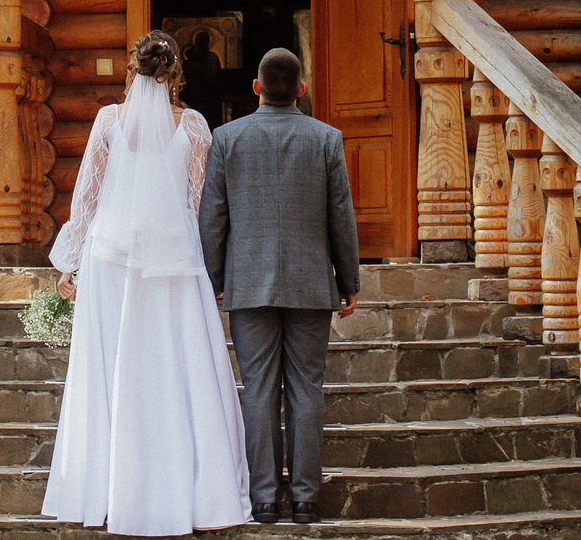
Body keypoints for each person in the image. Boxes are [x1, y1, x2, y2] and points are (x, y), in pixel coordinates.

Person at [43, 31, 249, 535]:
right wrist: (215, 267)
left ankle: (109, 490)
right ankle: (184, 490)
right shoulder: (194, 125)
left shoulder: (107, 121)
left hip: (110, 257)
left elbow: (87, 196)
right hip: (174, 259)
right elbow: (201, 204)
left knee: (110, 370)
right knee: (175, 367)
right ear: (176, 75)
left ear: (132, 70)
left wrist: (70, 262)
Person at [198, 46, 360, 525]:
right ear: (301, 90)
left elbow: (213, 220)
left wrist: (214, 279)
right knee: (307, 388)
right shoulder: (326, 139)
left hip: (249, 283)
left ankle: (265, 498)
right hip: (311, 283)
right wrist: (348, 279)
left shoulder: (226, 138)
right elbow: (341, 216)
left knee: (258, 388)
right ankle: (306, 499)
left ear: (256, 88)